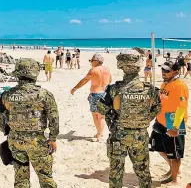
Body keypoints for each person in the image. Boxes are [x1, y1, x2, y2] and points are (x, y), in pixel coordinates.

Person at [97, 50, 161, 188]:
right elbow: (157, 107)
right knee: (143, 172)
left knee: (116, 173)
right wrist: (144, 119)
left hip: (119, 135)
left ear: (121, 65)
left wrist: (112, 121)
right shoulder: (149, 89)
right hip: (140, 136)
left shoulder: (114, 89)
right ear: (139, 66)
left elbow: (102, 108)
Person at [0, 58, 59, 188]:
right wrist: (52, 138)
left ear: (18, 74)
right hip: (38, 142)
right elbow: (54, 118)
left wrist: (6, 131)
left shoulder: (7, 95)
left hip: (16, 142)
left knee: (21, 180)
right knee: (45, 178)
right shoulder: (44, 94)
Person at [149, 61, 188, 185]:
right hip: (161, 119)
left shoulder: (180, 85)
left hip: (173, 120)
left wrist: (175, 127)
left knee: (175, 153)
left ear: (176, 72)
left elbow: (181, 108)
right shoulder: (164, 84)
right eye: (163, 70)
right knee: (157, 146)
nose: (163, 73)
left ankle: (174, 178)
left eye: (167, 71)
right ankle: (174, 169)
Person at [71, 53, 111, 141]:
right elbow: (110, 81)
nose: (91, 63)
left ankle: (99, 134)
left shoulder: (93, 70)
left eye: (91, 61)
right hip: (106, 94)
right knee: (102, 116)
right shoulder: (107, 69)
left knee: (95, 115)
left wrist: (75, 88)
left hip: (96, 95)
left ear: (96, 61)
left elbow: (84, 80)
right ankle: (99, 133)